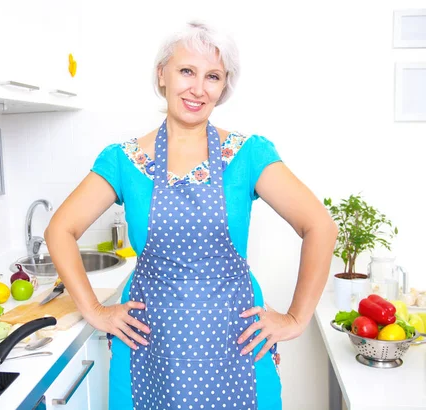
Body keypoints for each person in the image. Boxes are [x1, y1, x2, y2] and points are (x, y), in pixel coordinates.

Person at [44, 21, 337, 410]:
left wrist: (297, 318)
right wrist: (94, 311)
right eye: (187, 71)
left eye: (212, 76)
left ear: (224, 86)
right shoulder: (124, 160)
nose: (198, 88)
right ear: (161, 74)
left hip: (237, 343)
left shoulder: (248, 155)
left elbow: (320, 225)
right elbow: (60, 229)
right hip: (149, 345)